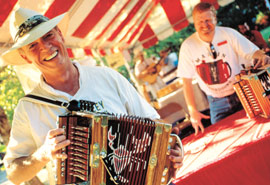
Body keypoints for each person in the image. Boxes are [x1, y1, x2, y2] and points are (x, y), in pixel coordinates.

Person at [1, 7, 183, 184]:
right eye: (33, 45)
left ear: (60, 34)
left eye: (48, 35)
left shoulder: (107, 76)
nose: (45, 47)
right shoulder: (27, 109)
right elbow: (14, 174)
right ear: (25, 57)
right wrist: (42, 155)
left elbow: (155, 125)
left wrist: (174, 149)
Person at [177, 2, 270, 135]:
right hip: (216, 102)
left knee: (261, 130)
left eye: (208, 20)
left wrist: (262, 55)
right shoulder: (188, 46)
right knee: (226, 137)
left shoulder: (229, 34)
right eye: (200, 21)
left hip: (243, 92)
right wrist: (192, 110)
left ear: (215, 19)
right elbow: (186, 81)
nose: (205, 25)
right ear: (194, 23)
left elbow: (252, 52)